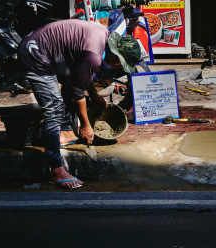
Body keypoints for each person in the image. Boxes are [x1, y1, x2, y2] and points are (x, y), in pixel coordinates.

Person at [18, 19, 143, 188]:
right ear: (116, 52)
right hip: (35, 52)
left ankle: (62, 134)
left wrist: (93, 95)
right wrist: (86, 125)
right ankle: (56, 170)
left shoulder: (102, 38)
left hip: (47, 50)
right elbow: (78, 93)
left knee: (65, 94)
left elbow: (82, 72)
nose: (118, 66)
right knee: (54, 111)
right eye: (120, 62)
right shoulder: (94, 54)